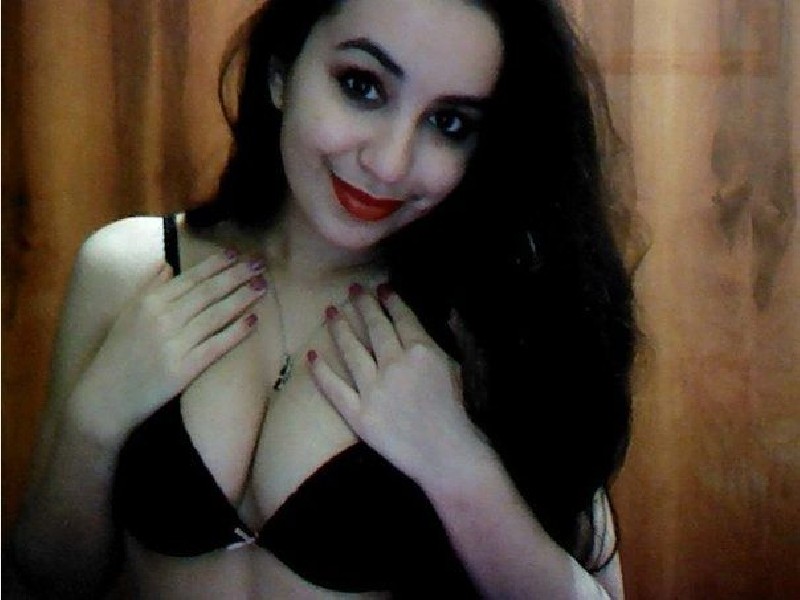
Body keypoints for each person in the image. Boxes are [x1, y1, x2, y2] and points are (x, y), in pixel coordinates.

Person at [10, 0, 636, 597]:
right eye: (362, 87)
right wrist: (93, 423)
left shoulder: (500, 319)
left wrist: (459, 466)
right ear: (281, 72)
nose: (390, 163)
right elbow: (49, 582)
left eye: (449, 124)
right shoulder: (127, 272)